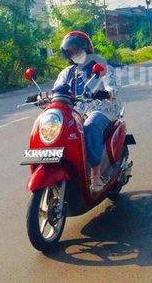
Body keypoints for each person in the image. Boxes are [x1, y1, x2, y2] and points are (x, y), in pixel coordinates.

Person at [53, 31, 121, 192]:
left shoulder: (101, 66)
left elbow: (112, 87)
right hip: (77, 111)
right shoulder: (66, 73)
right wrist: (44, 97)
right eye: (70, 52)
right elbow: (56, 90)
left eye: (77, 50)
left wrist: (107, 92)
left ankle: (96, 175)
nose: (74, 54)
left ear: (87, 48)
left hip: (102, 109)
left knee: (90, 126)